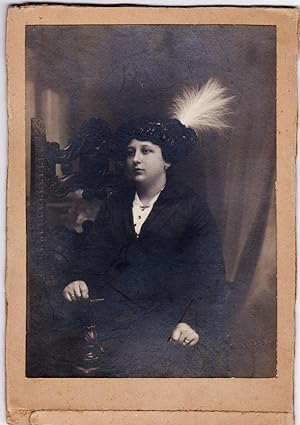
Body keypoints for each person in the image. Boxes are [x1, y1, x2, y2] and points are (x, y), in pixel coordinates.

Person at [62, 79, 233, 377]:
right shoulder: (116, 204)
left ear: (166, 160)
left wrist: (192, 321)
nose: (135, 159)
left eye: (145, 151)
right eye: (130, 152)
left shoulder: (191, 207)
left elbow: (209, 274)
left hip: (172, 324)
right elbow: (95, 255)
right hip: (115, 321)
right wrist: (80, 279)